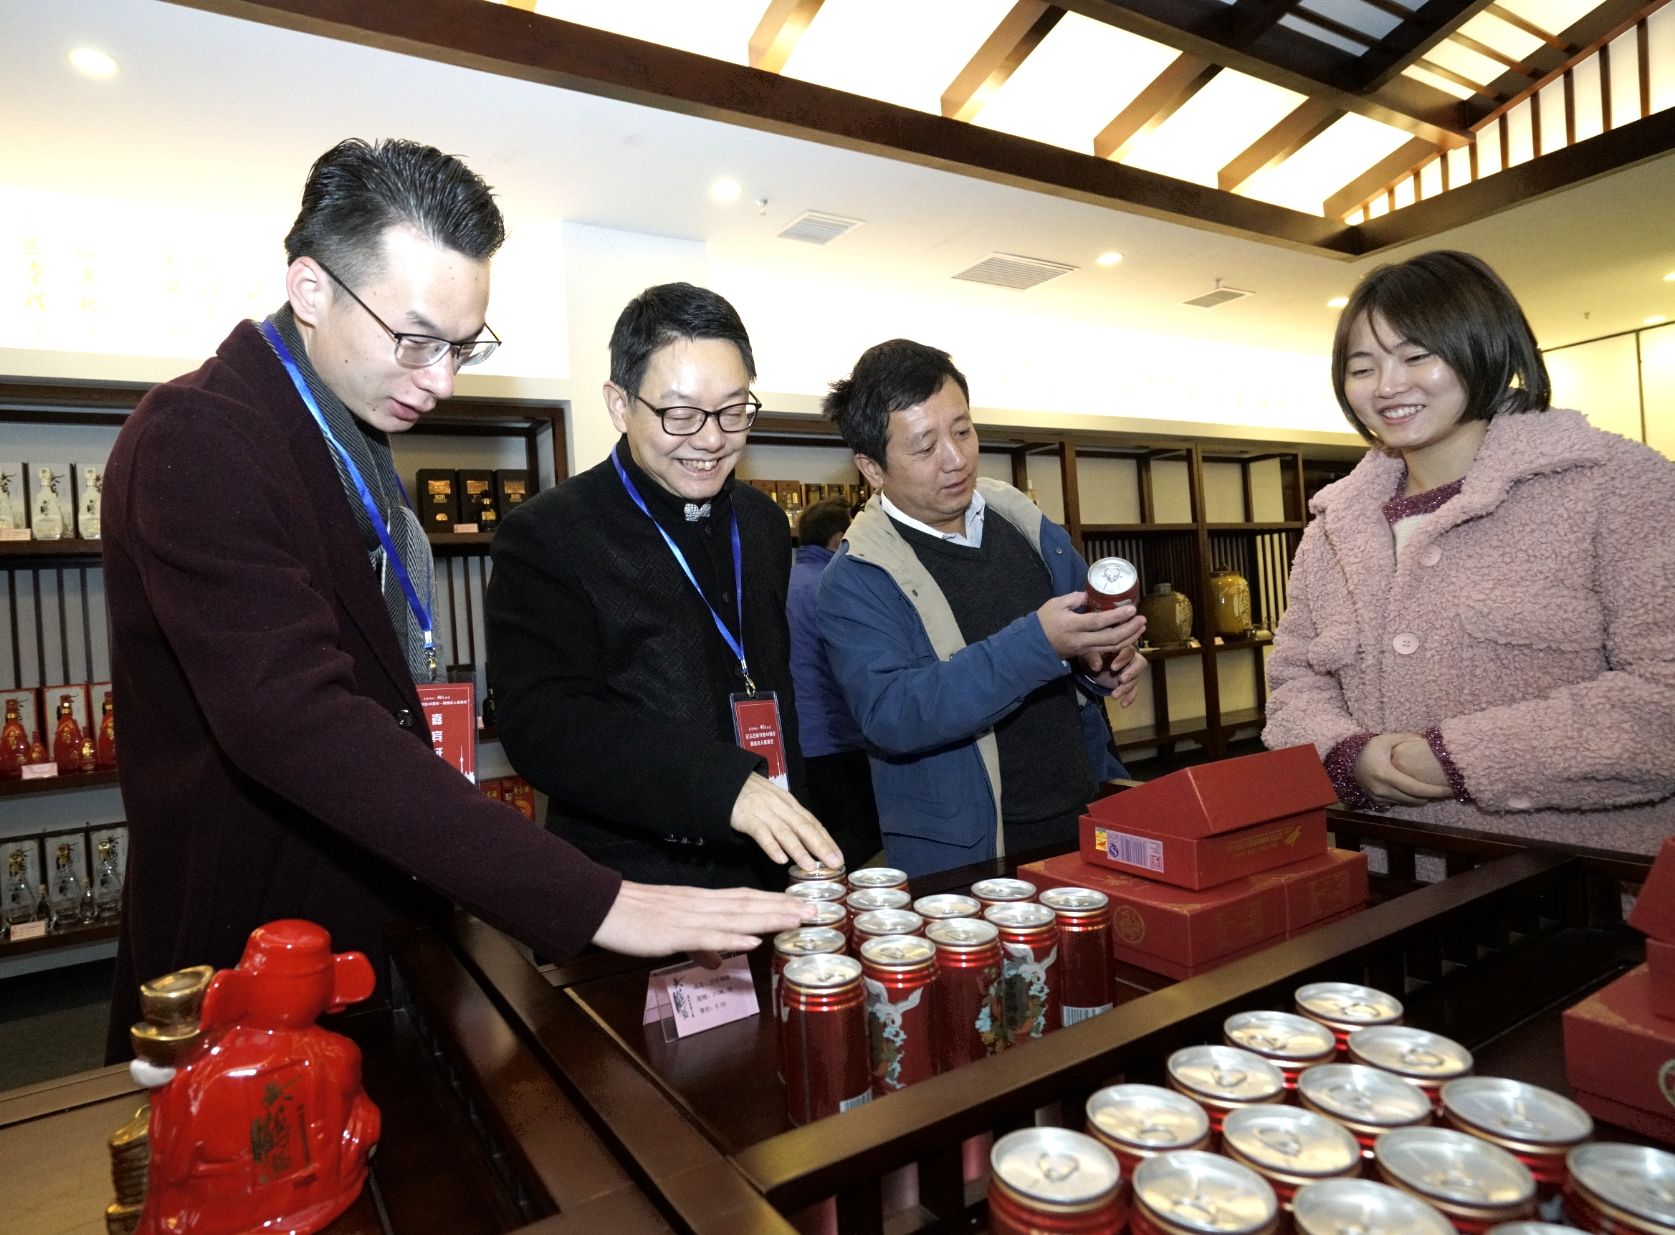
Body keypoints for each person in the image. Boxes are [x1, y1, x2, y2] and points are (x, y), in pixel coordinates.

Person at [100, 140, 809, 1060]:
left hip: (372, 913)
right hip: (258, 939)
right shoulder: (201, 434)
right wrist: (595, 898)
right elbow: (296, 720)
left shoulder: (346, 431)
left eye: (462, 347)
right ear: (310, 289)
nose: (441, 379)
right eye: (416, 340)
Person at [1264, 249, 1675, 854]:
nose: (1388, 386)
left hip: (1576, 880)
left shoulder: (1619, 485)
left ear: (1485, 348)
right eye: (1362, 367)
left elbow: (1663, 697)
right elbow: (1295, 681)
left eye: (1416, 356)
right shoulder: (1335, 523)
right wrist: (1347, 754)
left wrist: (1459, 758)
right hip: (1388, 873)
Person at [485, 283, 841, 890]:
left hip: (774, 862)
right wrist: (721, 786)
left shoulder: (759, 521)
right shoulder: (548, 533)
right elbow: (545, 725)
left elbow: (771, 682)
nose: (711, 439)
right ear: (619, 404)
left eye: (733, 411)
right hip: (637, 879)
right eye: (680, 413)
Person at [816, 339, 1147, 878]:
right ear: (872, 468)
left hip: (1082, 816)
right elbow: (894, 714)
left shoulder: (1024, 521)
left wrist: (1103, 666)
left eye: (963, 431)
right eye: (925, 447)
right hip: (969, 853)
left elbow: (1079, 644)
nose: (956, 459)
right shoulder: (857, 577)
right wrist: (1038, 643)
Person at [787, 497, 883, 868]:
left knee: (816, 831)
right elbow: (855, 666)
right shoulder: (833, 584)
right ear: (838, 538)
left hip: (796, 737)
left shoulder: (787, 579)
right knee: (862, 830)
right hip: (834, 734)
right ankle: (818, 889)